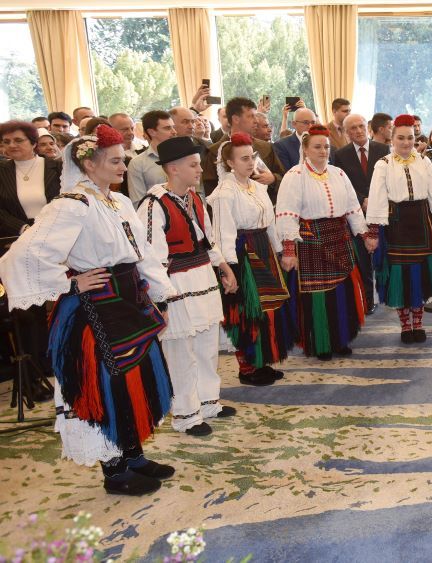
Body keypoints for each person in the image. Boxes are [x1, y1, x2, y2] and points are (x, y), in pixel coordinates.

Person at [0, 124, 177, 496]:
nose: (123, 167)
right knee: (104, 386)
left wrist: (160, 293)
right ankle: (114, 470)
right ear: (89, 164)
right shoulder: (71, 205)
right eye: (114, 161)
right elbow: (22, 256)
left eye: (123, 160)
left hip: (129, 298)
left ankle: (133, 454)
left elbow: (142, 252)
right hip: (95, 307)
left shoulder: (119, 201)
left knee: (135, 378)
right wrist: (70, 283)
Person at [137, 136, 239, 436]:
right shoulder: (154, 204)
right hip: (177, 283)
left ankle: (208, 402)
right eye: (193, 165)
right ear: (173, 168)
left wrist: (224, 268)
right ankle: (186, 414)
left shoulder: (195, 198)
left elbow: (208, 240)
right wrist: (161, 299)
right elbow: (151, 256)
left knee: (207, 345)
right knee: (181, 349)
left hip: (203, 277)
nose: (199, 169)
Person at [276, 125, 367, 357]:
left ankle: (341, 339)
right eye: (317, 147)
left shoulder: (339, 173)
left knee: (342, 292)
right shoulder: (294, 176)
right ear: (305, 149)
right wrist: (289, 250)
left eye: (326, 146)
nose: (323, 151)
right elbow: (287, 213)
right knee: (319, 295)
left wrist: (364, 234)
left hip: (340, 238)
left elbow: (353, 207)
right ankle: (321, 344)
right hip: (311, 240)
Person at [207, 133, 289, 386]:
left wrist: (279, 250)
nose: (251, 162)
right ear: (230, 163)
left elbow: (269, 222)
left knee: (266, 308)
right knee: (246, 310)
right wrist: (229, 268)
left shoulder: (257, 186)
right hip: (242, 252)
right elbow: (222, 233)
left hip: (263, 248)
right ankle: (247, 368)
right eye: (243, 159)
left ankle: (261, 361)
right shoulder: (224, 193)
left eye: (252, 157)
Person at [365, 116, 432, 343]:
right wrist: (373, 233)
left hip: (422, 222)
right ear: (392, 139)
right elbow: (377, 198)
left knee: (420, 275)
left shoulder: (424, 161)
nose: (406, 142)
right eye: (401, 138)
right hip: (395, 225)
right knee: (399, 277)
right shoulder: (383, 164)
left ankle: (418, 324)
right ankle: (405, 326)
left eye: (410, 138)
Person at [0, 121, 63, 397]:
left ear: (33, 143)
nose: (11, 146)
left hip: (57, 242)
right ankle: (35, 374)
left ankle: (66, 364)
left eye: (18, 140)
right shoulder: (1, 171)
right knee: (27, 311)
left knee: (61, 303)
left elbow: (65, 201)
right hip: (17, 244)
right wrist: (24, 229)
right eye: (6, 142)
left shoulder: (55, 167)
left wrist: (44, 229)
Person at [333, 114, 390, 312]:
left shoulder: (383, 149)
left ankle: (388, 294)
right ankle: (368, 300)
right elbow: (341, 183)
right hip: (355, 213)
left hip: (382, 212)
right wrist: (361, 200)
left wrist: (375, 200)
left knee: (384, 255)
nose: (358, 131)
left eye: (360, 126)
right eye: (353, 128)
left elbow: (389, 180)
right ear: (346, 132)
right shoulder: (340, 155)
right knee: (363, 260)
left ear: (367, 127)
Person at [203, 98, 283, 200]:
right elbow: (210, 193)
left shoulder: (266, 147)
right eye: (251, 116)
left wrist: (273, 179)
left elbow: (283, 177)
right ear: (236, 119)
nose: (256, 120)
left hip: (266, 204)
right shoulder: (215, 152)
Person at [127, 110, 175, 206]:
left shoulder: (183, 157)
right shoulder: (137, 163)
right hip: (155, 214)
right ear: (152, 132)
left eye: (173, 127)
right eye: (167, 128)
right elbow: (138, 202)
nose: (174, 132)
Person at [274, 107, 323, 172]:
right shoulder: (282, 146)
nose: (310, 126)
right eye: (305, 122)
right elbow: (285, 173)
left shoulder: (324, 144)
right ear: (294, 124)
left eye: (313, 123)